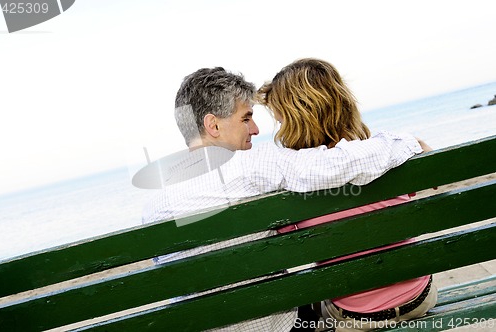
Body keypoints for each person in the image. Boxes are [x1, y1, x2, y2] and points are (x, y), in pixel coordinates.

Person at [142, 67, 425, 332]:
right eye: (245, 118)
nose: (254, 129)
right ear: (213, 125)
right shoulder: (252, 163)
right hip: (278, 325)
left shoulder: (155, 198)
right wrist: (407, 142)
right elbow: (339, 164)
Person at [258, 58, 437, 332]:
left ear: (293, 118)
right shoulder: (391, 155)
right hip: (419, 296)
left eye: (279, 117)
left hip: (353, 316)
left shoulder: (291, 183)